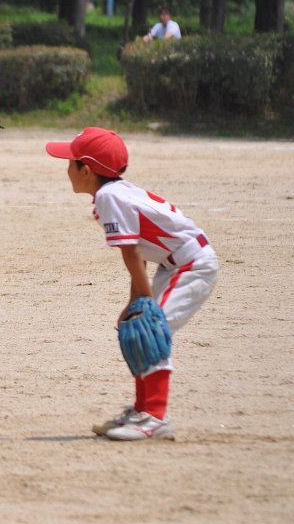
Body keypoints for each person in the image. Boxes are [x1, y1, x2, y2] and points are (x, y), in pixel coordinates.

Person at [45, 127, 219, 440]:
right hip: (175, 263)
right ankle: (143, 410)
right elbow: (137, 252)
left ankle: (155, 417)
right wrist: (135, 302)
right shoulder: (114, 193)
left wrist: (146, 302)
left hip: (192, 265)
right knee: (139, 328)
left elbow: (131, 252)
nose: (66, 168)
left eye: (70, 162)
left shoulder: (109, 197)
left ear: (86, 171)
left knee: (152, 330)